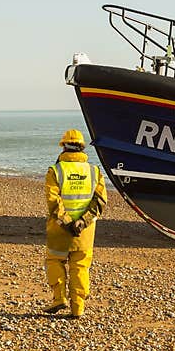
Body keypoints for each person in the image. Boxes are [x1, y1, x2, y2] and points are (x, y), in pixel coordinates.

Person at [43, 129, 107, 317]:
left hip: (59, 229)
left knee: (55, 261)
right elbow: (100, 201)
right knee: (80, 267)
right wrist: (81, 222)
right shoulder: (94, 171)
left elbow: (54, 202)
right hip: (84, 232)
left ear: (63, 147)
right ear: (82, 148)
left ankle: (59, 298)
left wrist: (68, 222)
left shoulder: (55, 171)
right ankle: (78, 307)